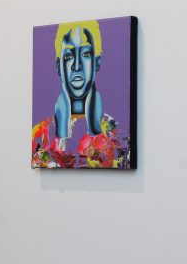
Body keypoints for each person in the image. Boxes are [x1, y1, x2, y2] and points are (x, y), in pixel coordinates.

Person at [31, 20, 130, 169]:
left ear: (97, 62)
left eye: (85, 54)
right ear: (59, 65)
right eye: (68, 56)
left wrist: (96, 130)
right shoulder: (39, 135)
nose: (77, 66)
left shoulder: (118, 135)